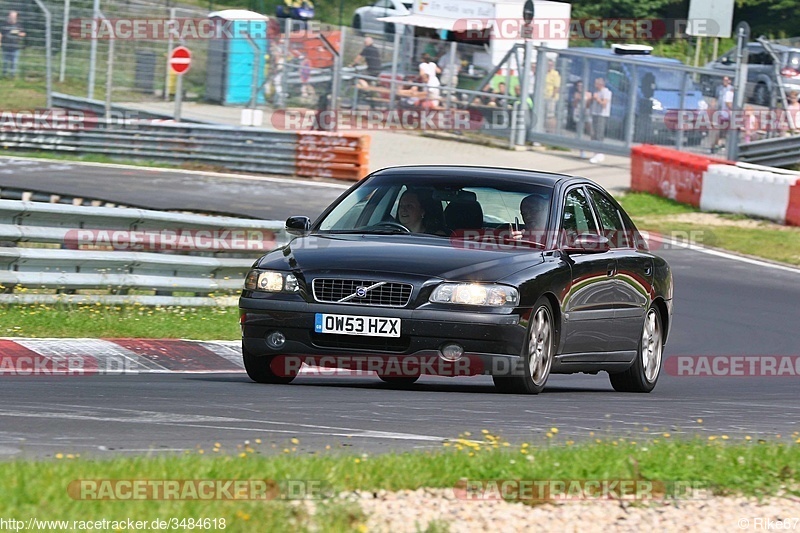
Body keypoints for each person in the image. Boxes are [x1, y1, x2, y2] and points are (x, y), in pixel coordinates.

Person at [588, 77, 612, 164]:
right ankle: (595, 152)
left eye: (596, 83)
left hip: (601, 115)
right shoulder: (597, 92)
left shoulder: (606, 92)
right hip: (595, 114)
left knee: (599, 133)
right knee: (593, 133)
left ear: (601, 84)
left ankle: (599, 153)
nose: (595, 85)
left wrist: (597, 98)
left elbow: (604, 104)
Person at [0, 11, 26, 78]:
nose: (12, 18)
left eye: (14, 16)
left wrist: (19, 34)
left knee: (14, 62)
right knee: (5, 61)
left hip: (15, 47)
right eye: (11, 16)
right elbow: (0, 34)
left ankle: (12, 76)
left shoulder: (18, 25)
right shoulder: (4, 25)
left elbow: (23, 33)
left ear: (16, 17)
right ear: (8, 16)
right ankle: (4, 75)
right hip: (6, 46)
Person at [544, 60, 561, 132]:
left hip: (550, 97)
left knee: (550, 114)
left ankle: (551, 131)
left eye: (551, 65)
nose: (549, 66)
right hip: (542, 96)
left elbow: (556, 87)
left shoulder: (555, 74)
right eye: (548, 65)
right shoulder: (543, 73)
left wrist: (552, 97)